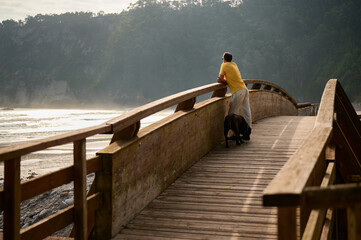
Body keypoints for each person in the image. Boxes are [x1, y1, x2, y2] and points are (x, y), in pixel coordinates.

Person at [217, 52, 252, 140]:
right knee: (247, 111)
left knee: (232, 115)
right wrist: (226, 80)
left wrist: (222, 81)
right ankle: (247, 132)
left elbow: (220, 79)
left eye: (222, 59)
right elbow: (230, 77)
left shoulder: (224, 65)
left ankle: (234, 135)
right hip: (244, 89)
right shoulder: (234, 64)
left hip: (237, 91)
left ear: (224, 59)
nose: (222, 60)